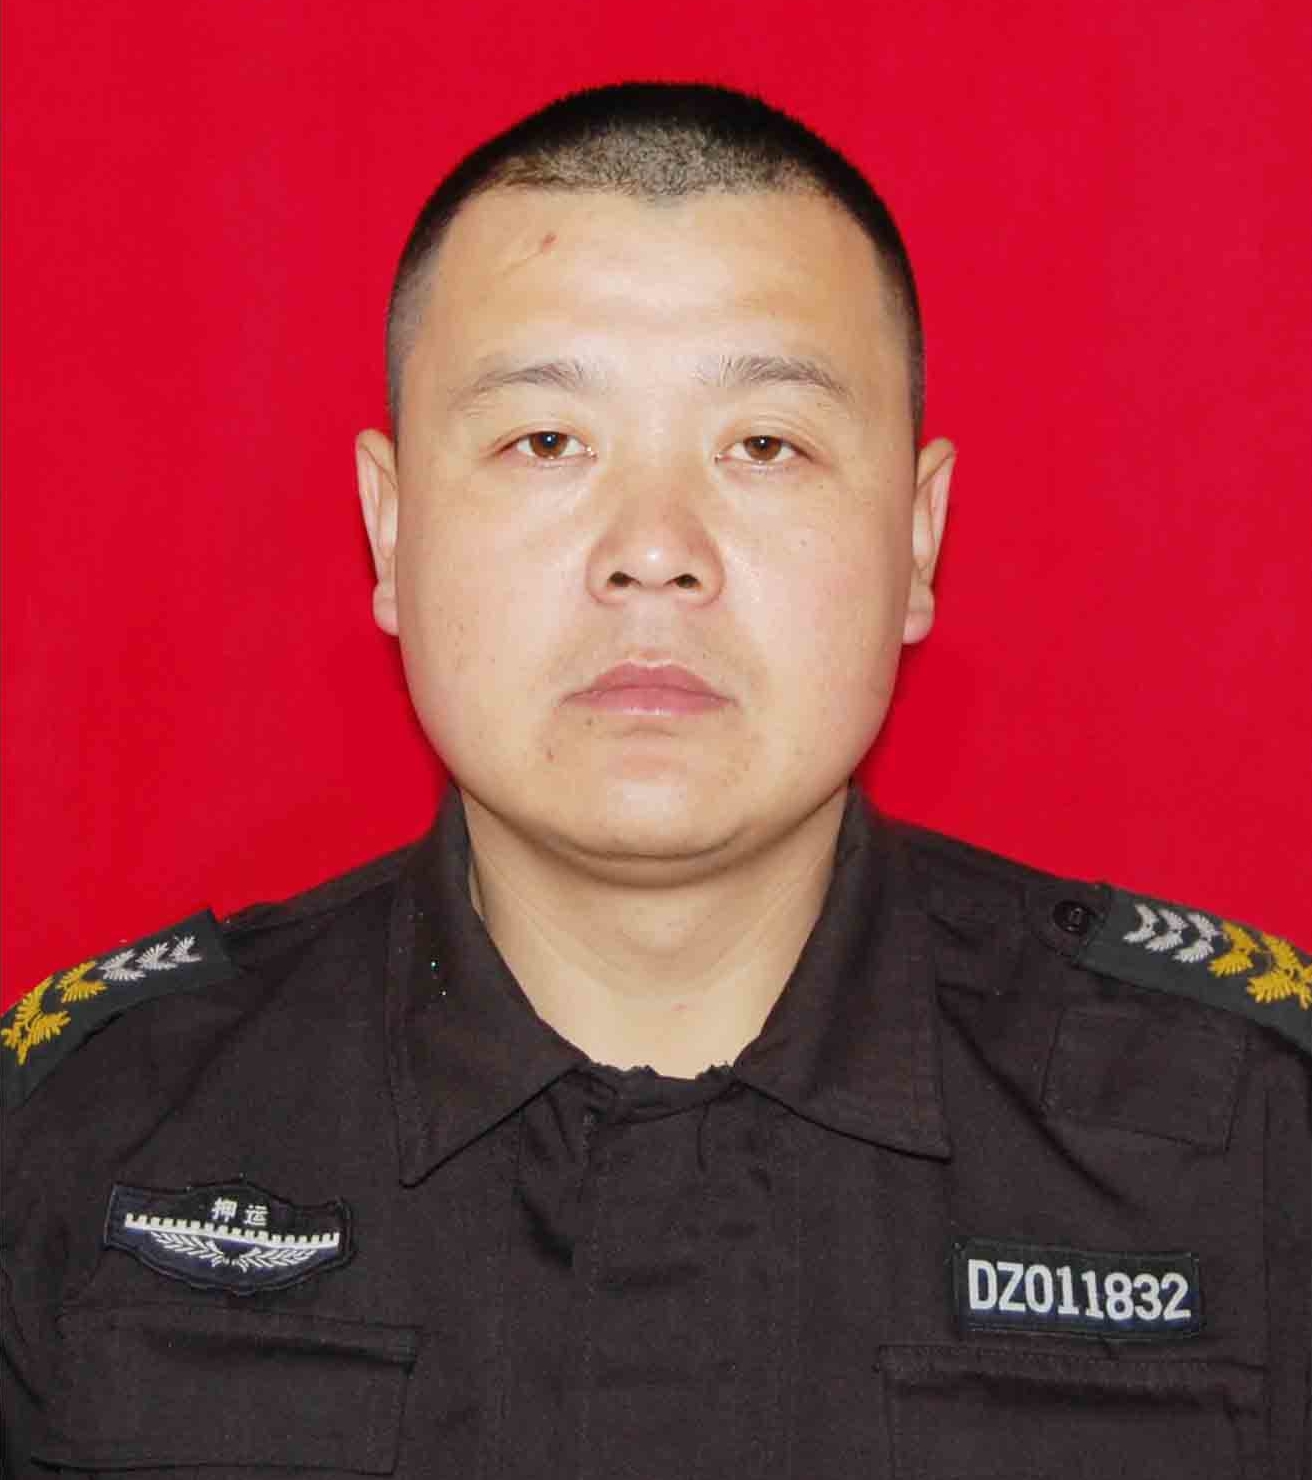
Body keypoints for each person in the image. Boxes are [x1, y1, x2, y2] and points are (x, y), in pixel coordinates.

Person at [2, 81, 1307, 1477]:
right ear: (389, 529)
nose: (654, 550)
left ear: (919, 541)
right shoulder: (81, 1134)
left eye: (765, 445)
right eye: (546, 442)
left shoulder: (1255, 1144)